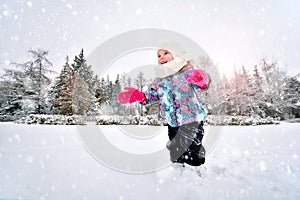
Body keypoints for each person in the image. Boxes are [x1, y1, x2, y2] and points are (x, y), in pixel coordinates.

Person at [117, 42, 210, 168]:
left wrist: (201, 79)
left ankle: (197, 171)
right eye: (159, 55)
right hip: (173, 122)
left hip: (192, 119)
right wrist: (140, 96)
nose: (161, 57)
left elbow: (202, 85)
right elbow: (152, 95)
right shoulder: (161, 80)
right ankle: (179, 173)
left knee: (192, 149)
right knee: (176, 150)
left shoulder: (188, 73)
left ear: (177, 55)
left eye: (166, 53)